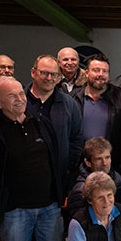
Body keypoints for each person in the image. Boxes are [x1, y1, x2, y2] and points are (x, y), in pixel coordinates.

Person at [0, 77, 71, 241]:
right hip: (15, 211)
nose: (20, 99)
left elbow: (57, 157)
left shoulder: (39, 122)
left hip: (49, 206)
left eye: (21, 93)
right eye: (11, 96)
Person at [25, 54, 83, 191]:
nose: (49, 78)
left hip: (55, 184)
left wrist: (67, 167)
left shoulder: (69, 105)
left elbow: (76, 139)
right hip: (21, 184)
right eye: (44, 73)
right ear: (33, 72)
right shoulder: (19, 101)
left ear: (58, 78)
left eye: (54, 74)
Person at [72, 53, 121, 174]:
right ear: (87, 73)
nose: (100, 75)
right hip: (79, 166)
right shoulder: (73, 98)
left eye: (105, 71)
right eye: (96, 70)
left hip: (111, 166)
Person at [68, 137, 121, 216]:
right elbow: (80, 222)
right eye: (99, 159)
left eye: (107, 157)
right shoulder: (80, 190)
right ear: (88, 162)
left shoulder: (117, 178)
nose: (105, 163)